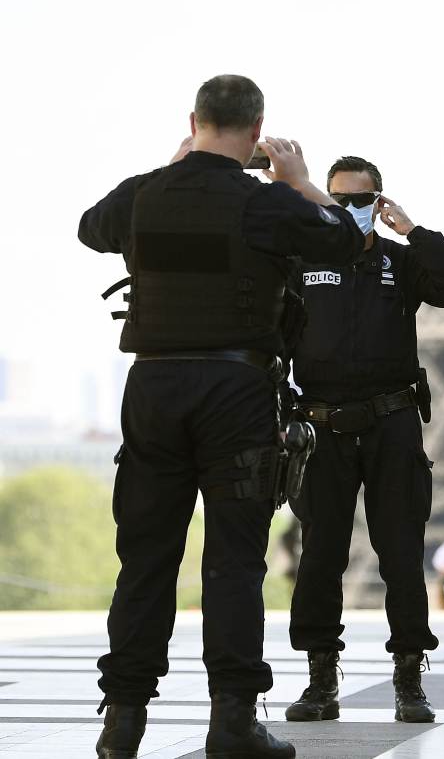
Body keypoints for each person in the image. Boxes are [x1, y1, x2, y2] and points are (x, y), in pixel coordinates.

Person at [79, 75, 365, 759]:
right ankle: (232, 721)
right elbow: (350, 243)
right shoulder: (264, 203)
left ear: (195, 120)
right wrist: (300, 181)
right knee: (234, 560)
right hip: (234, 389)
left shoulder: (145, 193)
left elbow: (91, 228)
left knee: (144, 556)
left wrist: (172, 170)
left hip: (152, 386)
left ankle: (123, 719)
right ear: (257, 127)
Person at [284, 155, 444, 724]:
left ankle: (409, 678)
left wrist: (413, 231)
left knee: (400, 553)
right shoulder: (302, 264)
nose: (350, 211)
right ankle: (321, 679)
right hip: (322, 425)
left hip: (392, 422)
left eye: (361, 201)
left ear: (380, 203)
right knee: (320, 556)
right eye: (338, 200)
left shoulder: (402, 260)